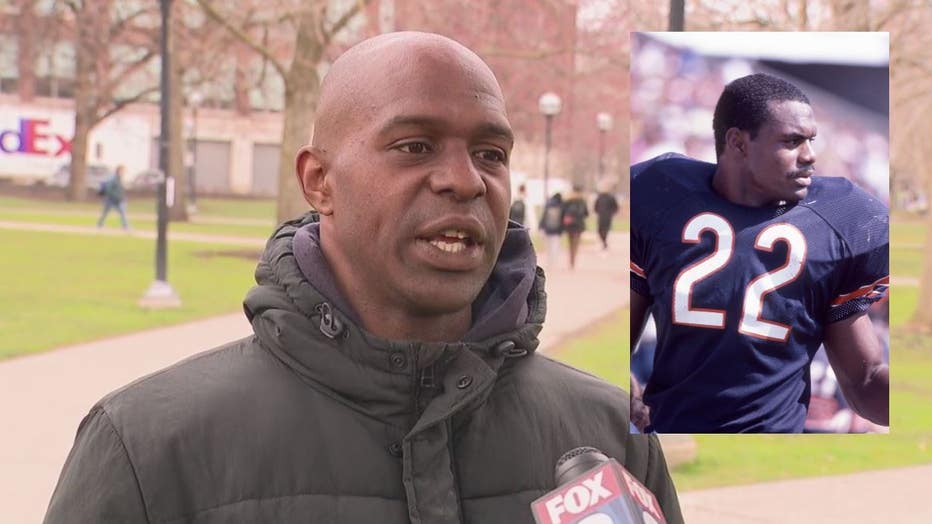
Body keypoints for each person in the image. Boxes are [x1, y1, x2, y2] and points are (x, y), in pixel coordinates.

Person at [46, 32, 682, 523]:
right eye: (415, 146)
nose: (465, 180)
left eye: (491, 153)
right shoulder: (148, 447)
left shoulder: (611, 435)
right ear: (319, 181)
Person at [630, 73, 889, 433]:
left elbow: (865, 380)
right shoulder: (659, 196)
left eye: (810, 140)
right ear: (737, 143)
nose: (810, 156)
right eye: (792, 141)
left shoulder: (841, 218)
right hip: (670, 436)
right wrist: (624, 387)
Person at [561, 184, 588, 269]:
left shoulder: (568, 201)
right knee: (576, 243)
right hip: (579, 225)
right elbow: (586, 213)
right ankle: (573, 260)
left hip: (570, 225)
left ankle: (571, 259)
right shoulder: (582, 201)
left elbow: (563, 212)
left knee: (570, 243)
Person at [95, 164, 130, 230]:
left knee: (122, 212)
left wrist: (122, 197)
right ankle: (100, 224)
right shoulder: (114, 179)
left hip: (118, 199)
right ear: (118, 171)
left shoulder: (119, 179)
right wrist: (115, 196)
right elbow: (109, 189)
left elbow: (120, 190)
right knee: (107, 212)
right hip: (112, 199)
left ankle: (125, 225)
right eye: (122, 171)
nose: (124, 172)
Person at [538, 192, 564, 268]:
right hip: (557, 230)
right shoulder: (561, 205)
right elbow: (562, 219)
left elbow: (544, 216)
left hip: (548, 228)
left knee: (548, 246)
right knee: (555, 245)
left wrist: (541, 226)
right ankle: (554, 261)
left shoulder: (548, 204)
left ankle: (549, 261)